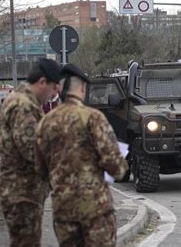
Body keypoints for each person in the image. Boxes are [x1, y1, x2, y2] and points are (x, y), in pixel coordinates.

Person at [36, 63, 128, 247]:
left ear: (60, 89)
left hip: (63, 209)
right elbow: (116, 168)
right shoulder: (93, 118)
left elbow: (39, 168)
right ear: (83, 88)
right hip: (95, 209)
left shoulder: (46, 123)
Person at [0, 58, 61, 247]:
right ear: (42, 82)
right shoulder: (24, 105)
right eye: (52, 90)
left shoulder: (22, 100)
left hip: (24, 190)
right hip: (22, 192)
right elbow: (34, 150)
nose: (52, 97)